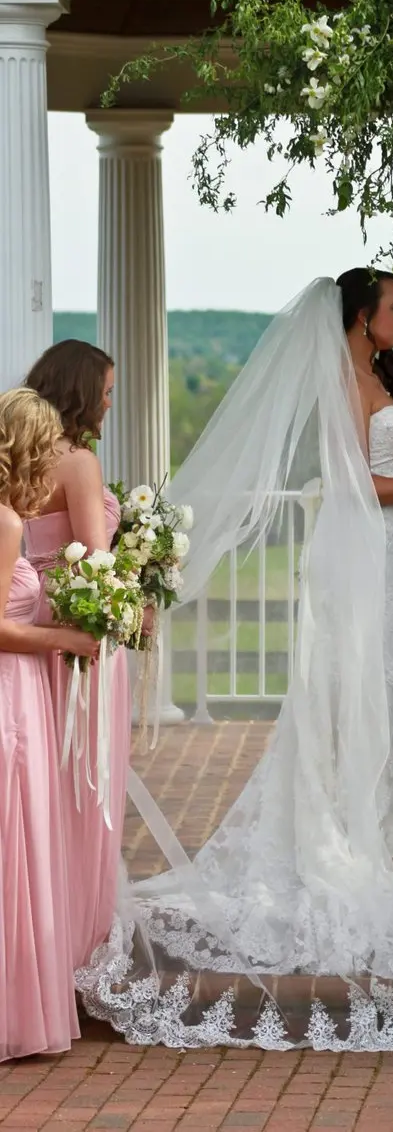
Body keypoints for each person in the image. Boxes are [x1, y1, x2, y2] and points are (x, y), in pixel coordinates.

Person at [75, 272, 393, 1052]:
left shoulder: (374, 376)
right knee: (349, 682)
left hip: (379, 553)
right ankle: (343, 827)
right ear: (361, 318)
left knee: (376, 681)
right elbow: (358, 481)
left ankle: (373, 822)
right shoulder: (348, 382)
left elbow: (383, 443)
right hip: (357, 550)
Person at [23, 340, 134, 969]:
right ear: (81, 393)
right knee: (86, 788)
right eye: (107, 391)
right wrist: (137, 585)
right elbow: (96, 557)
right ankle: (78, 945)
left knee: (40, 791)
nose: (111, 402)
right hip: (78, 631)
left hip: (25, 628)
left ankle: (39, 937)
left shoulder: (16, 453)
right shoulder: (78, 462)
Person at [0, 387, 99, 1062]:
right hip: (11, 694)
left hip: (24, 688)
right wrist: (64, 639)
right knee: (15, 839)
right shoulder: (6, 521)